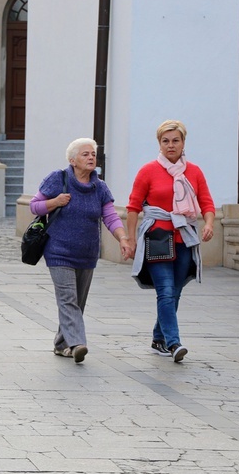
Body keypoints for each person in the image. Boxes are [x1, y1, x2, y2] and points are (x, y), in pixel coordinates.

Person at [30, 138, 130, 364]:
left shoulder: (100, 187)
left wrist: (122, 238)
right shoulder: (58, 179)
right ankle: (77, 344)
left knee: (78, 302)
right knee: (68, 299)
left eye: (93, 154)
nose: (91, 157)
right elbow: (34, 206)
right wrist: (55, 201)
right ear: (72, 160)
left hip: (87, 253)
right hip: (59, 251)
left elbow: (111, 216)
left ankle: (61, 344)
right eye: (85, 154)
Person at [126, 120, 215, 363]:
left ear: (183, 142)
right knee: (165, 291)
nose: (170, 145)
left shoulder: (194, 172)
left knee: (174, 292)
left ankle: (158, 338)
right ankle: (174, 342)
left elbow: (206, 203)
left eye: (175, 140)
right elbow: (133, 207)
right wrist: (130, 239)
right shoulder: (148, 171)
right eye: (165, 141)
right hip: (157, 237)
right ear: (159, 144)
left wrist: (208, 224)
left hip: (184, 237)